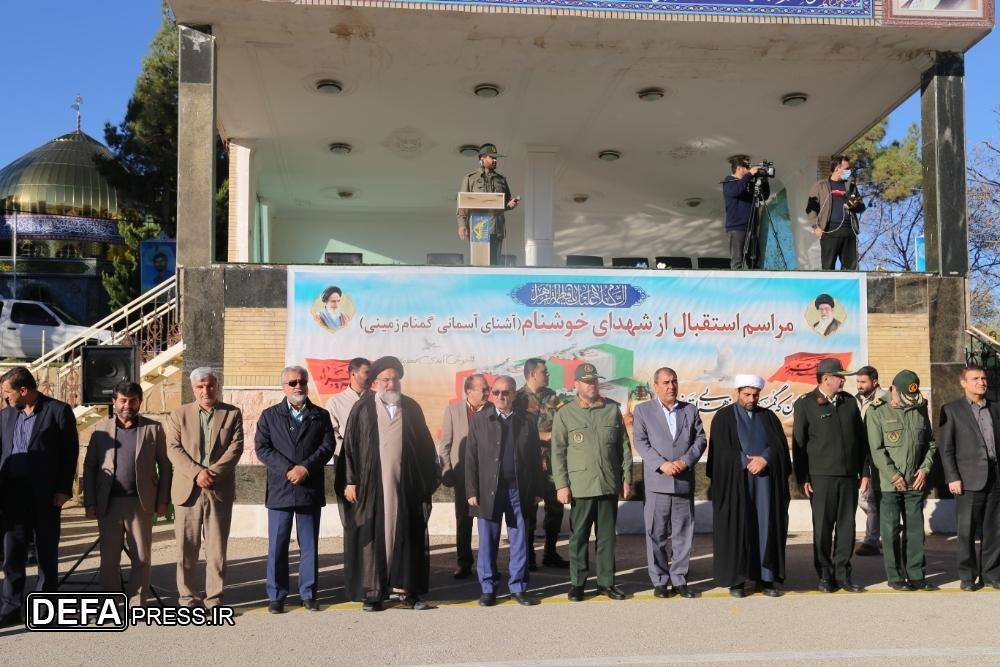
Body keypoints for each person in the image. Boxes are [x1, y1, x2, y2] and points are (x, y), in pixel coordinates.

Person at [336, 356, 440, 611]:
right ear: (375, 382)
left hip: (406, 487)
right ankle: (374, 593)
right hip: (372, 487)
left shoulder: (411, 408)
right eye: (385, 379)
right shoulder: (362, 408)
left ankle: (407, 591)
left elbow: (425, 447)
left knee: (408, 535)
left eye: (395, 379)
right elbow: (350, 447)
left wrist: (426, 480)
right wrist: (350, 481)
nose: (391, 384)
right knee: (373, 536)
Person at [0, 367, 79, 626]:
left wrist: (63, 489)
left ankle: (44, 608)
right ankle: (11, 607)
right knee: (12, 554)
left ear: (23, 390)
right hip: (11, 495)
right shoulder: (5, 416)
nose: (5, 397)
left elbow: (69, 453)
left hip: (46, 495)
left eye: (7, 392)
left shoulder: (58, 411)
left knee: (46, 552)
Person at [83, 381, 171, 606]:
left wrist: (163, 500)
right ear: (114, 402)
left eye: (132, 401)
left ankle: (137, 601)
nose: (127, 406)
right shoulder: (100, 431)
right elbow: (90, 467)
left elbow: (165, 465)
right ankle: (111, 602)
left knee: (141, 557)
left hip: (140, 503)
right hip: (108, 504)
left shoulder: (153, 429)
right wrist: (90, 502)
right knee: (109, 558)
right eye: (123, 401)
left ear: (140, 402)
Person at [255, 366, 335, 613]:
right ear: (284, 387)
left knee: (309, 546)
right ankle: (276, 595)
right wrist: (289, 469)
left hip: (308, 489)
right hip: (281, 489)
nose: (298, 386)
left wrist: (305, 468)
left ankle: (308, 593)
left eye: (302, 381)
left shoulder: (320, 415)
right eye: (292, 383)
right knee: (277, 546)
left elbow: (327, 446)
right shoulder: (269, 416)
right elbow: (262, 448)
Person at [552, 363, 633, 602]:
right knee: (579, 537)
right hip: (581, 485)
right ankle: (578, 584)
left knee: (607, 538)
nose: (592, 385)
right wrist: (561, 485)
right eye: (587, 381)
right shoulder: (565, 414)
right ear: (576, 384)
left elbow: (624, 448)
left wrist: (626, 478)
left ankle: (606, 583)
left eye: (594, 381)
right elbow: (557, 452)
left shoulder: (611, 410)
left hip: (608, 482)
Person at [165, 367, 245, 608]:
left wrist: (212, 474)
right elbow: (173, 448)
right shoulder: (179, 414)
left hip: (218, 490)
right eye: (200, 387)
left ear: (217, 386)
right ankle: (188, 599)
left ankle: (214, 599)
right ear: (193, 389)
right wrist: (197, 473)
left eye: (210, 385)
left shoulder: (232, 414)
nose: (205, 391)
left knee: (216, 550)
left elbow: (236, 448)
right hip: (187, 491)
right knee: (186, 550)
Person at [707, 374, 791, 598]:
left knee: (765, 527)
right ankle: (737, 580)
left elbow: (779, 446)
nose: (751, 399)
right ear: (737, 392)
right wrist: (744, 462)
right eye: (747, 394)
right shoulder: (724, 417)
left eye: (755, 395)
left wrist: (765, 458)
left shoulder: (769, 417)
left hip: (765, 484)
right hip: (737, 484)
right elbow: (720, 451)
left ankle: (766, 578)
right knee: (739, 528)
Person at [466, 376, 545, 606]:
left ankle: (518, 588)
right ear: (492, 394)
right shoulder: (480, 420)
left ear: (514, 395)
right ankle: (488, 588)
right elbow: (470, 457)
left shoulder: (527, 421)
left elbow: (535, 458)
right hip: (488, 492)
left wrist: (538, 488)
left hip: (518, 490)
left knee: (519, 541)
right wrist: (471, 490)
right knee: (487, 542)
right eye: (496, 392)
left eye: (506, 392)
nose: (501, 396)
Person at [792, 357, 868, 593]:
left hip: (849, 476)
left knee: (846, 528)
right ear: (826, 379)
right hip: (821, 477)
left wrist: (864, 472)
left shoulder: (849, 402)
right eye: (839, 377)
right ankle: (825, 575)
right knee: (823, 529)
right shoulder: (806, 404)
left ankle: (843, 573)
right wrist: (802, 478)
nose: (843, 381)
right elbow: (799, 445)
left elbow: (861, 440)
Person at [632, 367, 706, 599]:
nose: (671, 386)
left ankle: (680, 580)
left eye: (674, 381)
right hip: (658, 483)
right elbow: (641, 442)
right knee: (656, 534)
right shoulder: (643, 411)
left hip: (683, 481)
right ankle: (660, 581)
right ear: (655, 386)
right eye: (665, 382)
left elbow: (700, 439)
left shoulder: (689, 410)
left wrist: (685, 461)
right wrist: (661, 464)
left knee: (683, 535)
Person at [865, 370, 937, 591]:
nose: (909, 401)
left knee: (915, 531)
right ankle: (895, 576)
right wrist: (894, 476)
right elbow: (876, 450)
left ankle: (916, 575)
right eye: (905, 396)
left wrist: (925, 468)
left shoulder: (919, 407)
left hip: (915, 480)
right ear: (893, 389)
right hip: (889, 483)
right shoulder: (877, 410)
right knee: (890, 530)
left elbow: (930, 443)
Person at [939, 365, 1000, 591]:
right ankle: (967, 576)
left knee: (995, 529)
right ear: (963, 383)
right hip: (967, 480)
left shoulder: (995, 408)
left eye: (983, 378)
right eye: (975, 378)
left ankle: (991, 574)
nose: (981, 382)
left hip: (995, 477)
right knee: (966, 530)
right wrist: (952, 477)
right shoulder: (951, 410)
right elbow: (946, 448)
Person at [513, 358, 569, 570]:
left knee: (555, 509)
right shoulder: (518, 398)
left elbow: (562, 421)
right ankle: (528, 555)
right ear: (532, 374)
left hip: (552, 463)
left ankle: (550, 553)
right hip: (530, 464)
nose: (548, 374)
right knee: (528, 510)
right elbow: (515, 430)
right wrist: (542, 436)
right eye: (544, 372)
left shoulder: (552, 396)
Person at [438, 374, 490, 579]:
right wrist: (446, 470)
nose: (487, 393)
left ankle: (487, 563)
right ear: (469, 391)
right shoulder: (453, 411)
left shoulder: (492, 410)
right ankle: (464, 563)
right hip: (462, 476)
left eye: (487, 389)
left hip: (487, 477)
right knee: (464, 521)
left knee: (487, 521)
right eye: (483, 389)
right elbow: (445, 444)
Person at [456, 143, 519, 266]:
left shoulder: (501, 179)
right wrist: (461, 224)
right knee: (479, 263)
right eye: (492, 157)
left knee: (494, 263)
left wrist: (510, 205)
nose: (495, 160)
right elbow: (462, 203)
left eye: (496, 158)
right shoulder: (470, 178)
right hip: (478, 227)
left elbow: (506, 202)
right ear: (482, 158)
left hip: (496, 227)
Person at [806, 155, 866, 271]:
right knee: (828, 268)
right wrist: (816, 227)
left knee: (850, 269)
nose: (849, 171)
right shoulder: (820, 186)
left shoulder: (850, 187)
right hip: (829, 232)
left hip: (849, 231)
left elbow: (861, 207)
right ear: (838, 168)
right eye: (847, 168)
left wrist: (854, 205)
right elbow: (811, 208)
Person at [855, 366, 890, 557]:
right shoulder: (855, 400)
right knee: (865, 499)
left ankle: (871, 541)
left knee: (871, 499)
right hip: (861, 455)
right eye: (858, 382)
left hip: (879, 455)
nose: (859, 385)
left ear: (874, 382)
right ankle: (887, 526)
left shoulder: (885, 399)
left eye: (863, 382)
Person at [722, 155, 770, 269]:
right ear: (739, 168)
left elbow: (764, 196)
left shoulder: (747, 182)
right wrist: (750, 175)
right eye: (747, 166)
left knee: (755, 261)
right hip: (737, 227)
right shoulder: (729, 181)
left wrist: (765, 182)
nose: (749, 168)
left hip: (751, 228)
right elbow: (735, 191)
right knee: (737, 262)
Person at [324, 357, 371, 460]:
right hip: (345, 459)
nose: (371, 376)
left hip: (373, 458)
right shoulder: (335, 402)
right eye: (367, 372)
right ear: (353, 374)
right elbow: (330, 433)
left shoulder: (378, 400)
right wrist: (348, 451)